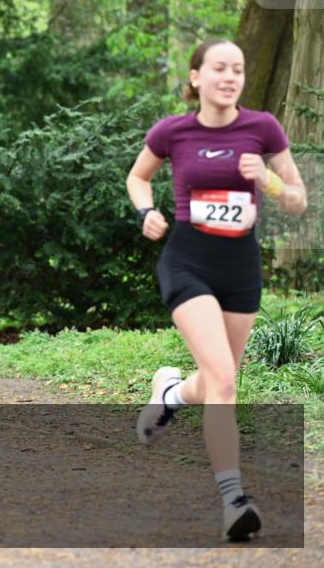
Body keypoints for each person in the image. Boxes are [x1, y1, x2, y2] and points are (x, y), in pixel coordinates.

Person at [126, 39, 307, 541]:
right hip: (188, 261)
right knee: (225, 378)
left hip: (241, 267)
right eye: (219, 69)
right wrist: (147, 211)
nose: (230, 77)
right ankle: (234, 501)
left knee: (215, 381)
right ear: (196, 77)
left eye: (238, 70)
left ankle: (170, 394)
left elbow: (298, 200)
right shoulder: (173, 131)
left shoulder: (263, 129)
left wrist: (269, 182)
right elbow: (138, 177)